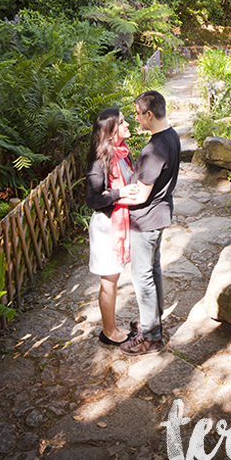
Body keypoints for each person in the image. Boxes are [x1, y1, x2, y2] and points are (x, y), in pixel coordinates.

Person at [118, 90, 181, 356]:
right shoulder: (172, 136)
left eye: (138, 113)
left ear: (149, 114)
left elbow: (142, 194)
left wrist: (113, 200)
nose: (135, 118)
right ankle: (151, 322)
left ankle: (151, 337)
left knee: (142, 276)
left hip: (146, 219)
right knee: (153, 271)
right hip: (159, 213)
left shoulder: (155, 148)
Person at [85, 107, 135, 346]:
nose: (127, 125)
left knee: (114, 277)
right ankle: (109, 332)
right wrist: (119, 193)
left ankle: (112, 327)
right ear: (111, 130)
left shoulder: (123, 153)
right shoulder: (100, 162)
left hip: (118, 222)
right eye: (122, 122)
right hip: (106, 226)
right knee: (109, 279)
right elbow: (92, 200)